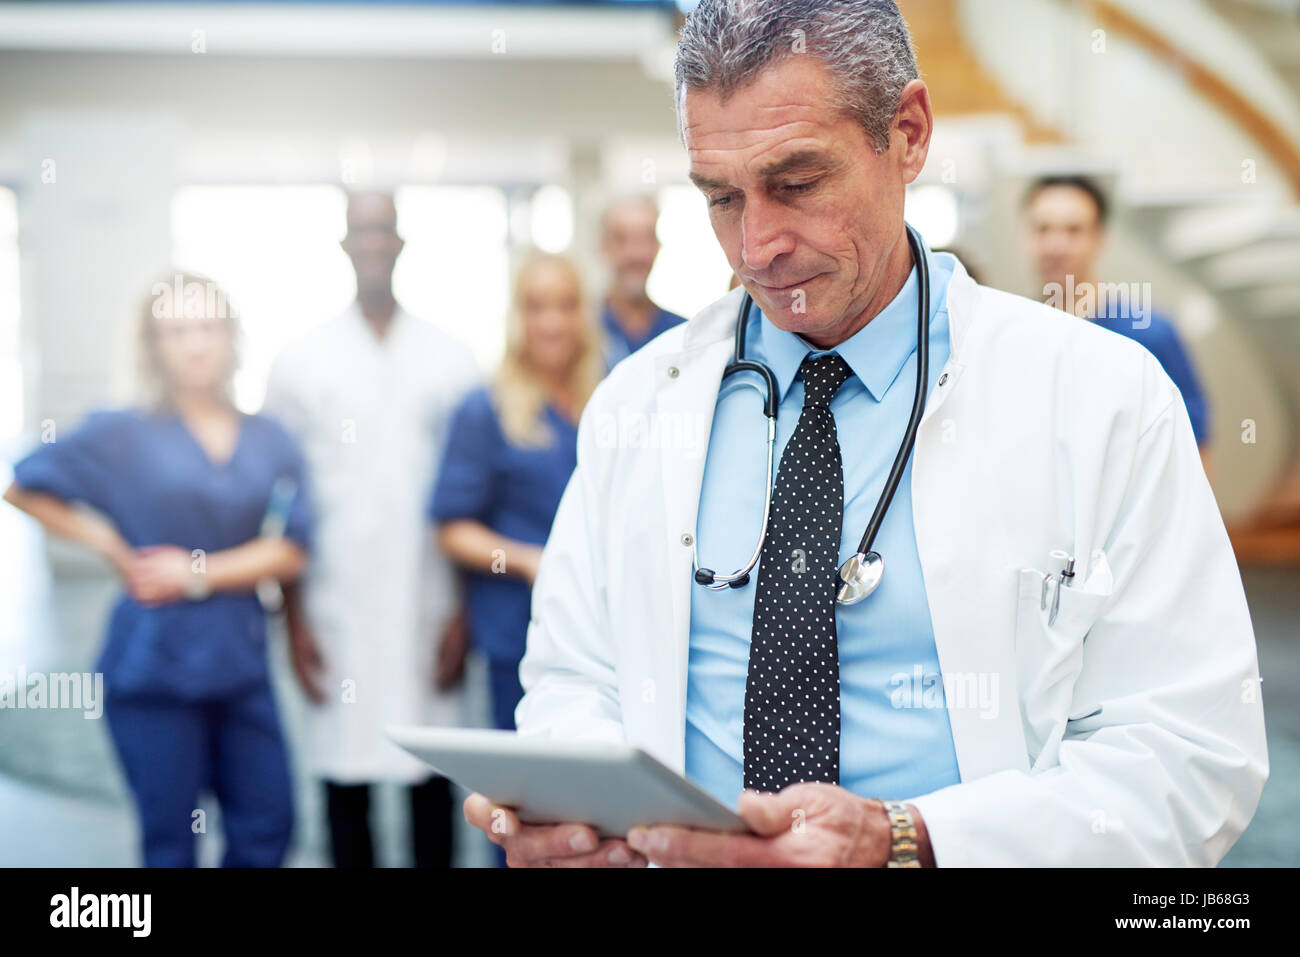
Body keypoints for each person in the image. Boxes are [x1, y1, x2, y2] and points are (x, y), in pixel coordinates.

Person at [464, 0, 1267, 867]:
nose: (758, 245)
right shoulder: (637, 405)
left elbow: (1191, 755)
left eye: (799, 182)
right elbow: (575, 678)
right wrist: (586, 814)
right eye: (722, 198)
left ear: (909, 134)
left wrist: (912, 840)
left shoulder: (1100, 397)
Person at [3, 273, 313, 867]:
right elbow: (23, 486)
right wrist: (113, 546)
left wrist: (195, 573)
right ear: (153, 345)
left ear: (232, 337)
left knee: (268, 820)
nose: (195, 345)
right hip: (153, 666)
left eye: (207, 327)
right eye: (176, 331)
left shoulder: (269, 436)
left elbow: (293, 548)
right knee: (170, 839)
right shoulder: (121, 431)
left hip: (240, 658)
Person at [262, 191, 478, 869]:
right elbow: (283, 508)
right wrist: (292, 619)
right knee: (344, 779)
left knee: (432, 779)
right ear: (345, 245)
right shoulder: (300, 362)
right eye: (362, 230)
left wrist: (463, 613)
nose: (374, 242)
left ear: (402, 242)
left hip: (430, 600)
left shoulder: (453, 360)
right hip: (335, 607)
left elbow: (471, 500)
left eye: (385, 229)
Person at [431, 252, 601, 733]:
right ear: (516, 318)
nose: (552, 322)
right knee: (529, 787)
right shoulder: (484, 408)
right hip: (519, 630)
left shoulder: (611, 399)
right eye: (536, 306)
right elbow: (452, 529)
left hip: (600, 629)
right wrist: (531, 561)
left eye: (566, 305)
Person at [1024, 174, 1213, 473]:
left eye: (1074, 230)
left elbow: (1194, 446)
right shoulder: (1018, 335)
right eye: (1043, 229)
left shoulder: (1151, 334)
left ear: (1099, 239)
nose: (1055, 245)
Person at [599, 195, 686, 368]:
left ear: (657, 246)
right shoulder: (582, 334)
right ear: (603, 247)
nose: (635, 254)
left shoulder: (682, 335)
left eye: (645, 239)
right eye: (622, 239)